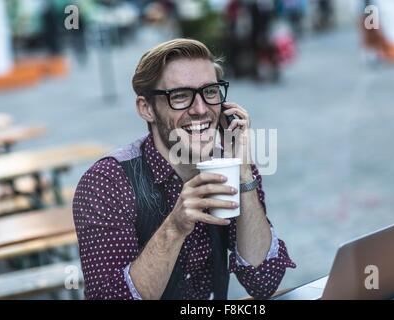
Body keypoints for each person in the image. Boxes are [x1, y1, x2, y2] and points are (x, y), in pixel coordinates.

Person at [72, 38, 296, 300]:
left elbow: (263, 281)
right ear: (146, 109)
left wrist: (244, 173)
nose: (201, 109)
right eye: (180, 96)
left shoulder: (230, 166)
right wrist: (175, 227)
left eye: (210, 92)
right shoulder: (106, 184)